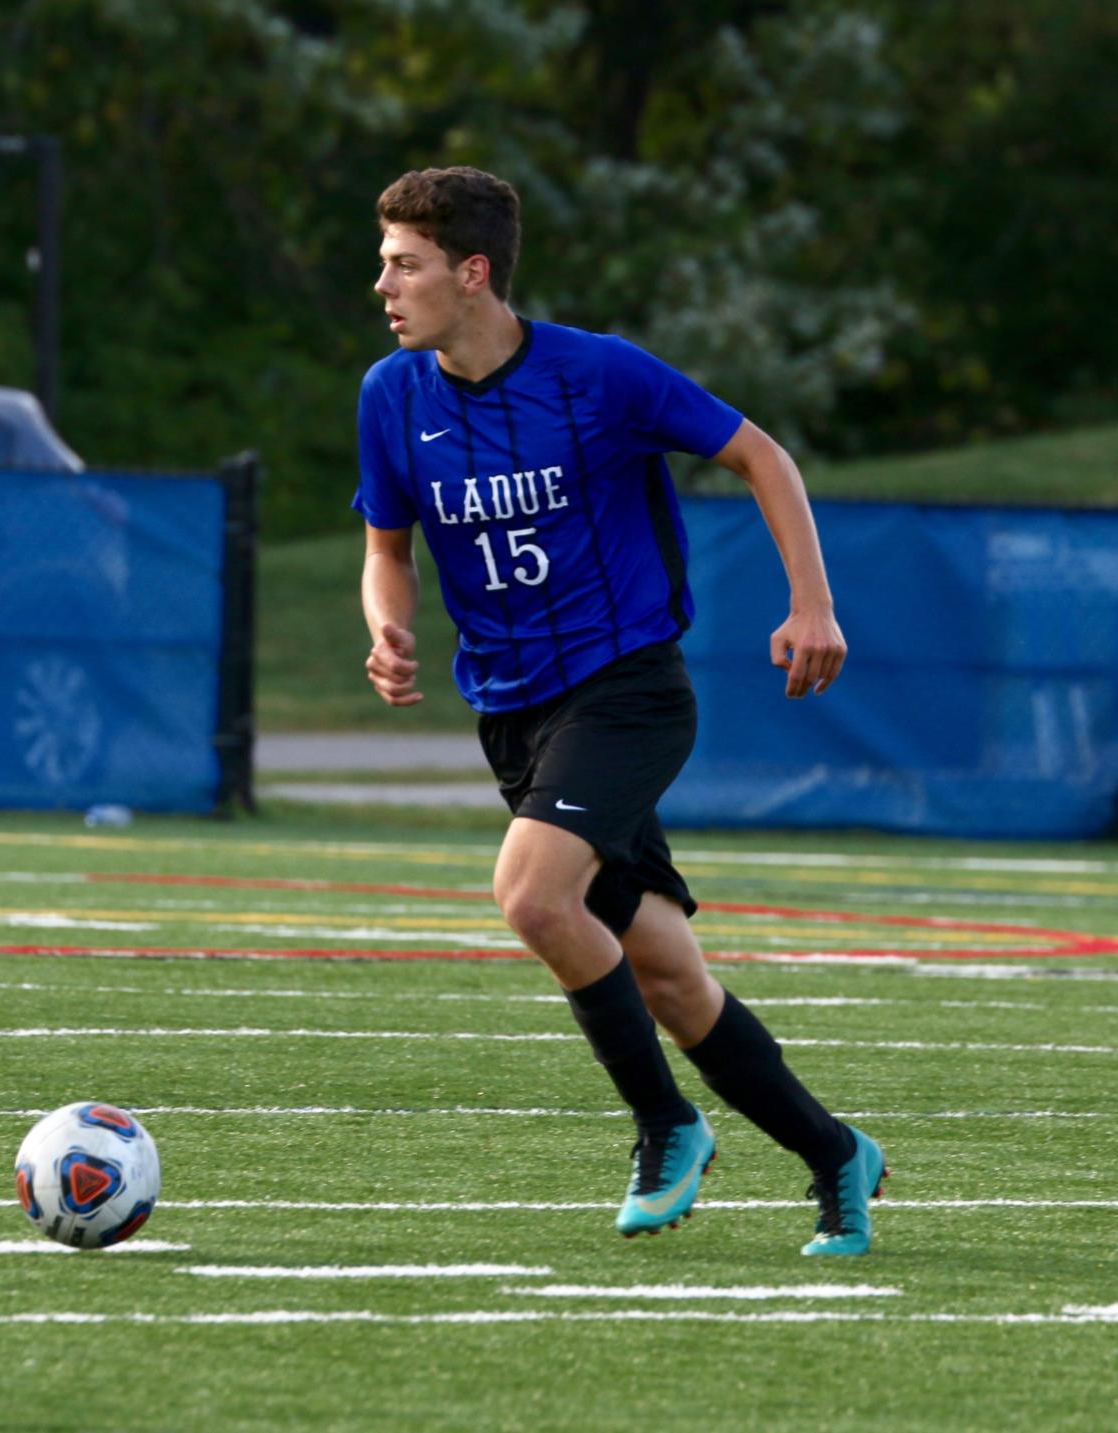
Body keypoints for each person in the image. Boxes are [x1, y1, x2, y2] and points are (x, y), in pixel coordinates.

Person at [353, 166, 887, 1256]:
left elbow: (760, 455)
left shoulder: (597, 376)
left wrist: (812, 601)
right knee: (666, 971)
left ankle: (665, 1125)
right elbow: (385, 548)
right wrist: (388, 623)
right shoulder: (390, 395)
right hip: (512, 713)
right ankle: (836, 1155)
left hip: (626, 688)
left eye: (403, 264)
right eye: (384, 263)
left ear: (473, 271)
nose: (383, 286)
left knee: (531, 895)